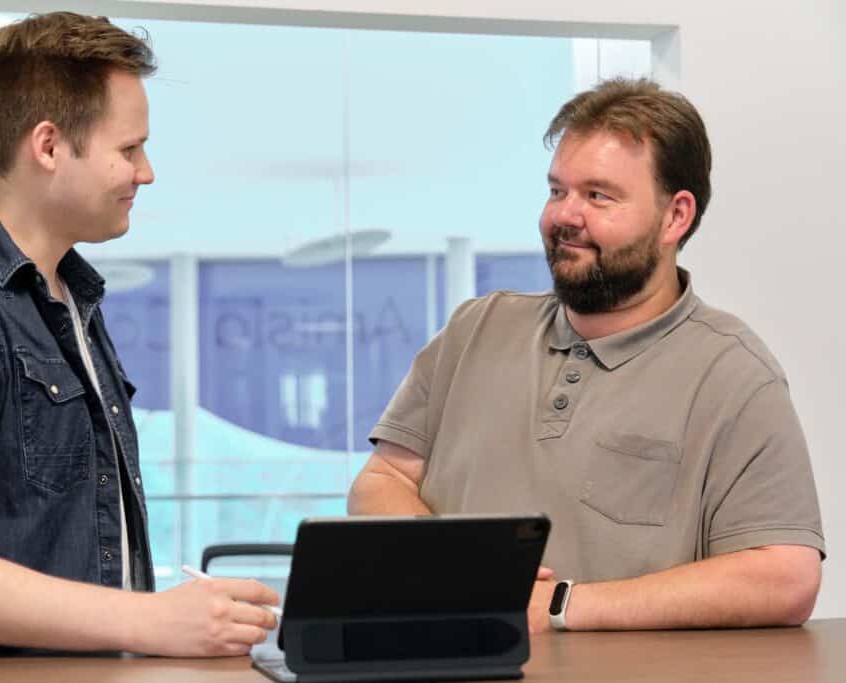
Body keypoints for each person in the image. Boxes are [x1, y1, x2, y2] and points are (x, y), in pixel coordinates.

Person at [0, 12, 277, 657]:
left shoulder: (71, 298)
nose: (146, 172)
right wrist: (150, 622)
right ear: (49, 146)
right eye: (129, 149)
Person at [348, 78, 824, 632]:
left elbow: (785, 577)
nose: (564, 216)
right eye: (557, 191)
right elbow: (380, 483)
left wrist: (561, 606)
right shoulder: (475, 329)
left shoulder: (735, 374)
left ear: (676, 217)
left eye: (598, 195)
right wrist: (463, 574)